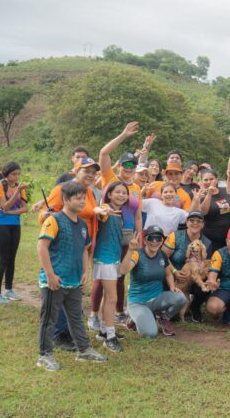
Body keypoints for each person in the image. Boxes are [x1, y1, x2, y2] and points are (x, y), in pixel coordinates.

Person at [36, 181, 106, 371]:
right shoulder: (54, 220)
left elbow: (84, 249)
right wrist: (50, 275)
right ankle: (45, 355)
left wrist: (85, 272)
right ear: (66, 199)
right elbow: (42, 246)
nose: (82, 201)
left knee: (76, 318)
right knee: (48, 319)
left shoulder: (82, 224)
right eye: (78, 198)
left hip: (74, 281)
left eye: (84, 198)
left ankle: (84, 350)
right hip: (54, 282)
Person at [96, 122, 145, 326]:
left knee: (120, 274)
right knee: (103, 274)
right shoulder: (111, 178)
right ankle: (94, 314)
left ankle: (117, 311)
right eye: (125, 164)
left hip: (127, 234)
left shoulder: (136, 188)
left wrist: (139, 236)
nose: (129, 168)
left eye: (132, 165)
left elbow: (138, 215)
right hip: (108, 232)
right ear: (120, 165)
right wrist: (124, 135)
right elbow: (103, 153)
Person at [119, 226, 187, 337]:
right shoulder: (137, 254)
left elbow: (169, 273)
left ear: (162, 241)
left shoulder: (162, 255)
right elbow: (123, 270)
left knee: (180, 298)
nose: (154, 241)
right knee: (150, 334)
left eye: (158, 238)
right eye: (151, 238)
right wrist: (130, 250)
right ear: (145, 240)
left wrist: (171, 286)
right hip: (138, 302)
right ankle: (133, 318)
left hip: (157, 299)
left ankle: (163, 318)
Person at [87, 181, 129, 352]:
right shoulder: (106, 208)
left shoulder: (120, 213)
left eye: (124, 192)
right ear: (109, 194)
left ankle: (104, 331)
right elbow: (98, 212)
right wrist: (101, 210)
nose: (121, 195)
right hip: (105, 258)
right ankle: (110, 336)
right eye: (117, 192)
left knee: (108, 296)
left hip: (112, 257)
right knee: (112, 298)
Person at [162, 211, 214, 322]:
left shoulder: (207, 242)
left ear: (203, 224)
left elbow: (208, 264)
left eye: (199, 221)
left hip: (195, 277)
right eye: (191, 220)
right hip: (173, 276)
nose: (195, 223)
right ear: (186, 222)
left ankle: (195, 308)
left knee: (207, 282)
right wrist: (175, 271)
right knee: (172, 315)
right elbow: (163, 256)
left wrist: (200, 271)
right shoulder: (175, 236)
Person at [0, 161, 28, 304]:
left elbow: (25, 208)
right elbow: (4, 205)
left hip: (15, 224)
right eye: (13, 174)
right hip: (0, 224)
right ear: (6, 174)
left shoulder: (19, 186)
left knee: (12, 258)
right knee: (3, 259)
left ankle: (9, 290)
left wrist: (11, 212)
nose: (16, 177)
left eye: (18, 174)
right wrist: (16, 194)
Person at [193, 168, 230, 250]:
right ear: (201, 181)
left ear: (216, 179)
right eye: (206, 180)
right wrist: (209, 194)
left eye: (211, 179)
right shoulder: (200, 195)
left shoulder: (225, 190)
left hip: (228, 237)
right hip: (210, 238)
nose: (209, 182)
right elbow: (203, 212)